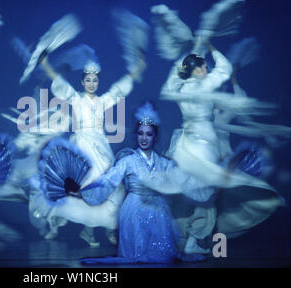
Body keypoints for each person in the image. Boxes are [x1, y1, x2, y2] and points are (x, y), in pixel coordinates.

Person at [50, 102, 213, 263]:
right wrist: (82, 192)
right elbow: (108, 181)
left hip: (159, 211)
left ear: (154, 137)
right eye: (140, 133)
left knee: (162, 257)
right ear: (136, 134)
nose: (144, 138)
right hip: (134, 210)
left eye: (148, 134)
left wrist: (209, 186)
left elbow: (184, 179)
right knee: (137, 257)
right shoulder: (128, 160)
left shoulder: (164, 163)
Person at [161, 39, 282, 253]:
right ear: (197, 70)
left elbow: (171, 81)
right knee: (204, 194)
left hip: (190, 146)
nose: (207, 69)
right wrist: (209, 47)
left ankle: (192, 237)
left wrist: (195, 51)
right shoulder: (204, 86)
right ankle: (192, 237)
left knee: (201, 193)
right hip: (202, 146)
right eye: (204, 66)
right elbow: (224, 68)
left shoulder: (180, 89)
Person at [38, 51, 145, 247]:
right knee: (87, 186)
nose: (92, 83)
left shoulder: (103, 101)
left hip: (101, 145)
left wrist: (138, 68)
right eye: (88, 80)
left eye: (94, 80)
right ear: (82, 82)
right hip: (83, 147)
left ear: (98, 82)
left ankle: (104, 228)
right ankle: (68, 226)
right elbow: (58, 81)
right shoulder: (76, 99)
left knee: (110, 186)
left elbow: (120, 89)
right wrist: (45, 64)